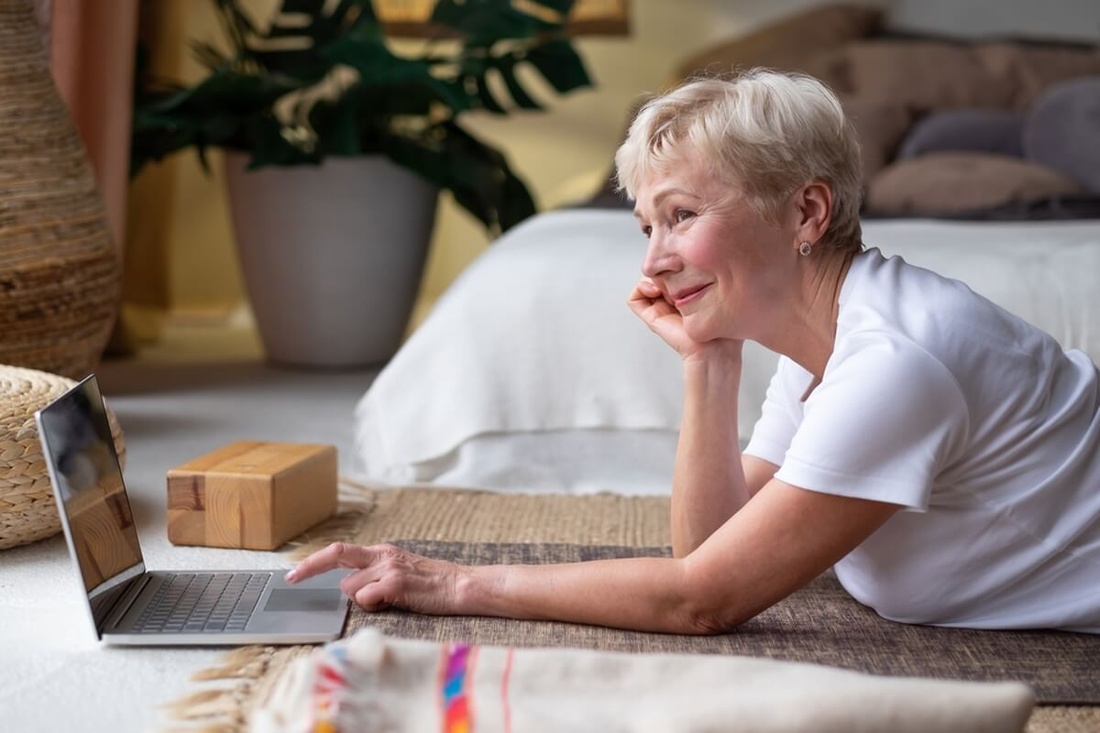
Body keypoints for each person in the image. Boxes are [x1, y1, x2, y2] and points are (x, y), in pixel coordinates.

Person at [287, 69, 1100, 634]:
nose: (652, 260)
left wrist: (456, 581)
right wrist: (707, 360)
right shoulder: (829, 343)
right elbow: (709, 547)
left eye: (680, 215)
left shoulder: (895, 363)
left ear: (806, 211)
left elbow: (700, 598)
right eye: (647, 226)